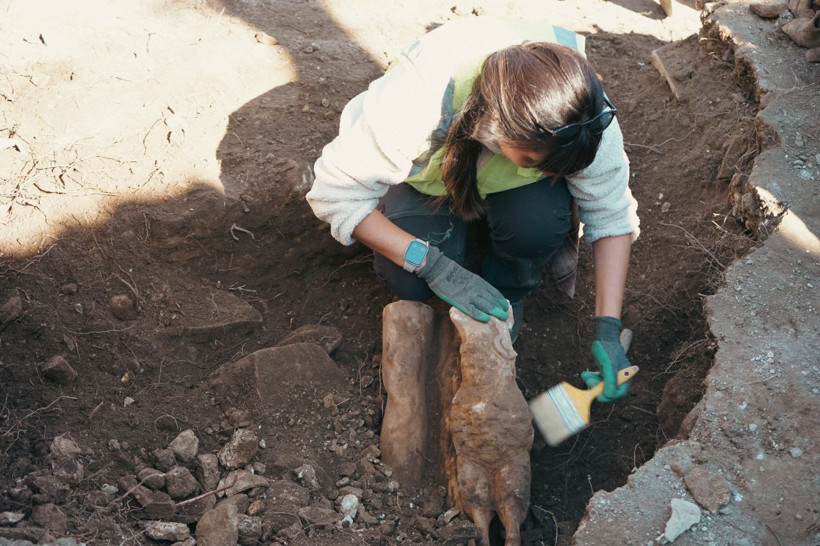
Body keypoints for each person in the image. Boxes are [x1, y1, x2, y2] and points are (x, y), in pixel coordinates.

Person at [306, 16, 640, 402]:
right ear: (499, 129)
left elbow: (611, 215)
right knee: (408, 279)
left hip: (512, 188)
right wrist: (433, 265)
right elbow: (334, 193)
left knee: (539, 226)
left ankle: (509, 291)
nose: (553, 173)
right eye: (535, 160)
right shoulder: (415, 103)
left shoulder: (583, 116)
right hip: (434, 184)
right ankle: (445, 282)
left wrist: (607, 328)